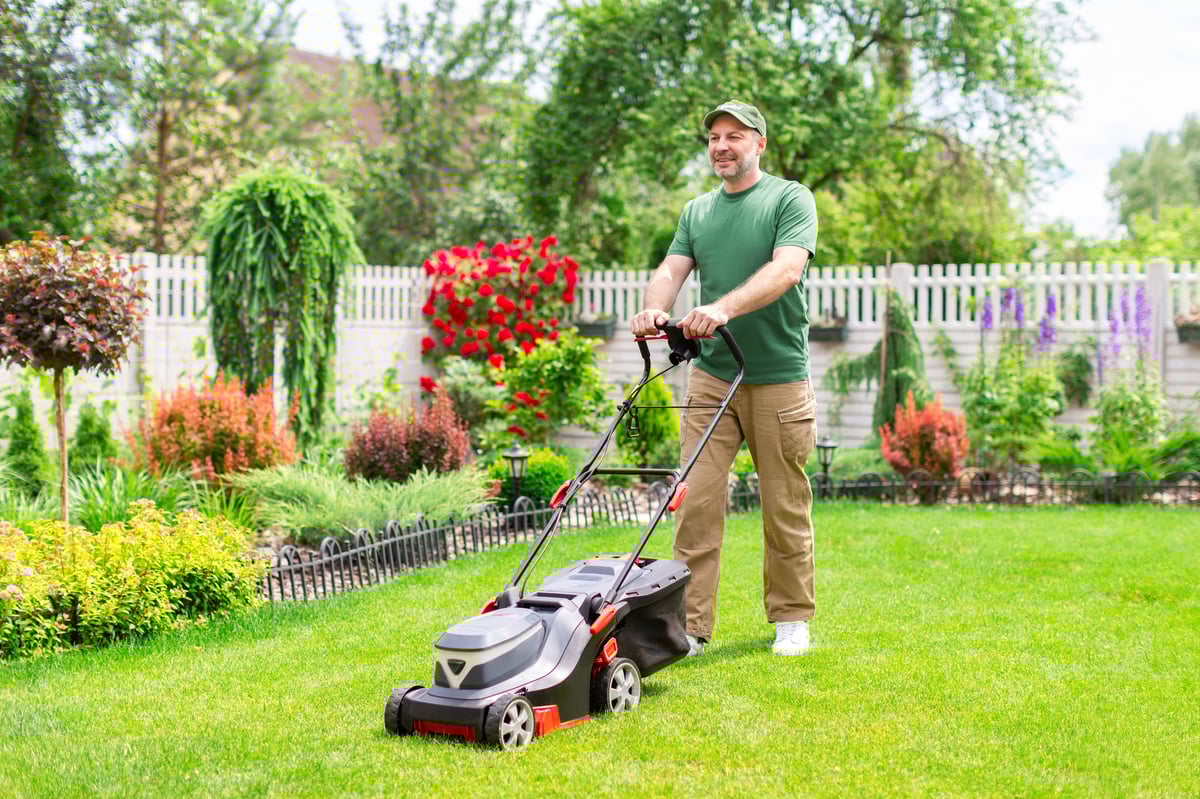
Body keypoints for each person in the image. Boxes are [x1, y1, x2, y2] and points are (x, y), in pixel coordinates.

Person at [630, 101, 818, 657]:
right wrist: (652, 309)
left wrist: (724, 308)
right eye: (713, 137)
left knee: (784, 503)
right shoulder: (698, 211)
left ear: (759, 143)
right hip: (714, 376)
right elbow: (670, 270)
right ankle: (689, 627)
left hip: (779, 376)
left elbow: (787, 268)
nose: (721, 146)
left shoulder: (789, 198)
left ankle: (791, 618)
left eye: (734, 136)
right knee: (696, 501)